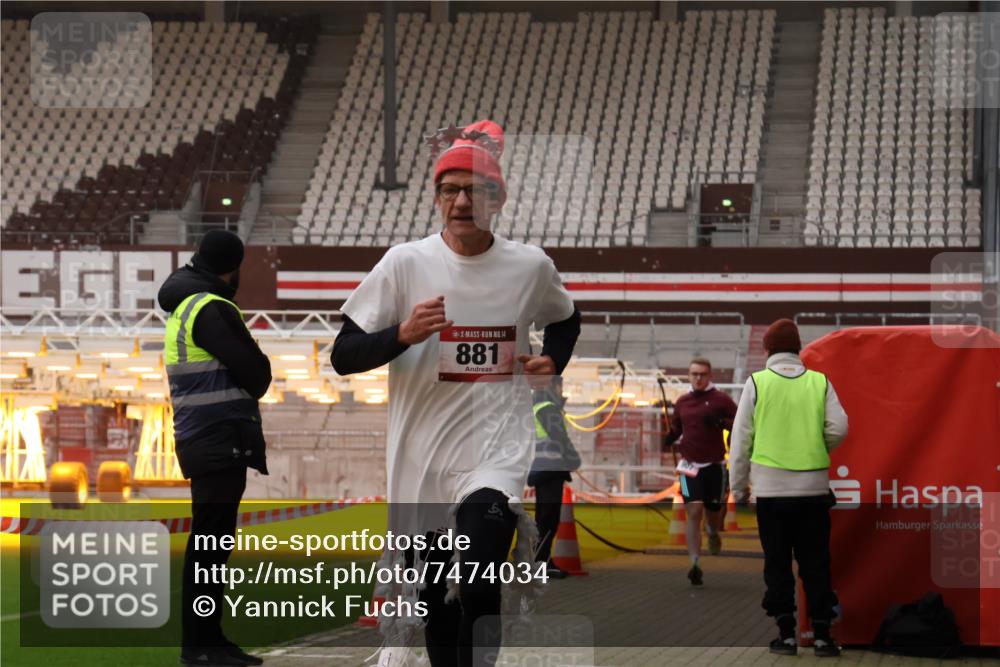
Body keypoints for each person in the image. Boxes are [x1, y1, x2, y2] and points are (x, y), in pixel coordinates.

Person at [330, 120, 580, 667]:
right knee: (436, 601)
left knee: (479, 579)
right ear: (436, 197)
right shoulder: (405, 263)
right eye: (450, 190)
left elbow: (566, 317)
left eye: (476, 190)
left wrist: (552, 360)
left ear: (499, 200)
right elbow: (343, 355)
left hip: (495, 452)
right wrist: (401, 334)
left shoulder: (529, 266)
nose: (462, 202)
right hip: (421, 461)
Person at [158, 230, 272, 667]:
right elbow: (257, 376)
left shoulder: (188, 305)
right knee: (209, 546)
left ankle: (210, 639)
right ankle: (200, 646)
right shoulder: (211, 308)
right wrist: (258, 356)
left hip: (206, 438)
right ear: (232, 268)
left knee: (211, 545)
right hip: (218, 438)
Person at [729, 318, 849, 657]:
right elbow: (839, 427)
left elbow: (740, 441)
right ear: (798, 348)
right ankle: (823, 635)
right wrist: (816, 444)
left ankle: (786, 634)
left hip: (770, 492)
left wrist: (738, 489)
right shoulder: (819, 382)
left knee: (777, 564)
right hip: (813, 491)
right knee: (816, 563)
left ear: (767, 349)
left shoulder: (757, 383)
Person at [662, 357, 737, 586]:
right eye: (694, 374)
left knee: (712, 512)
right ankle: (694, 562)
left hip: (714, 465)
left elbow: (740, 423)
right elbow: (677, 426)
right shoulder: (682, 401)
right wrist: (670, 437)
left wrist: (722, 422)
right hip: (688, 466)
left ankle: (713, 532)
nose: (698, 378)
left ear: (709, 376)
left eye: (702, 374)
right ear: (689, 375)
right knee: (693, 511)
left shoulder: (721, 399)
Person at [527, 377, 582, 579]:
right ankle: (541, 563)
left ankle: (538, 561)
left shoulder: (537, 406)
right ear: (554, 386)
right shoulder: (548, 408)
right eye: (560, 387)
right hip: (550, 470)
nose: (562, 391)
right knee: (548, 520)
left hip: (542, 469)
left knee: (544, 518)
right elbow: (560, 439)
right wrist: (574, 460)